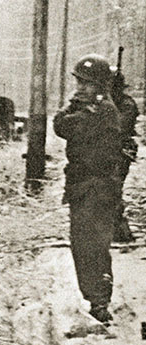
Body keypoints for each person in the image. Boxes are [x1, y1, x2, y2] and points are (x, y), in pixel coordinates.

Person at [53, 54, 122, 325]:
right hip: (83, 186)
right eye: (79, 82)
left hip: (98, 187)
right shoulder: (86, 107)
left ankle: (100, 303)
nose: (81, 88)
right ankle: (95, 301)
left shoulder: (102, 111)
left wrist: (74, 107)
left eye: (88, 84)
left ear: (102, 86)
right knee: (82, 245)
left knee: (93, 245)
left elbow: (67, 126)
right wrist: (74, 104)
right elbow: (59, 124)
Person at [110, 68, 139, 243]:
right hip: (104, 151)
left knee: (113, 188)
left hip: (121, 151)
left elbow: (119, 127)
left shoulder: (127, 104)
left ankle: (121, 233)